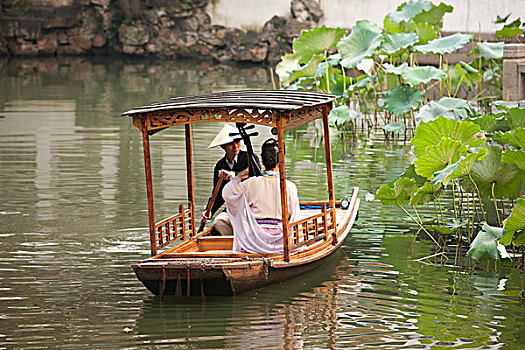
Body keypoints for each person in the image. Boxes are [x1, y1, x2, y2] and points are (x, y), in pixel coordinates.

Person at [222, 138, 301, 254]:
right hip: (279, 241)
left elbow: (227, 193)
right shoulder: (289, 186)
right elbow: (293, 216)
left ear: (263, 162)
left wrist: (238, 176)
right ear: (281, 161)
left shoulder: (250, 183)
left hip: (254, 239)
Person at [203, 124, 260, 235]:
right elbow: (218, 195)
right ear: (223, 146)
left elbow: (255, 175)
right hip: (233, 208)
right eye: (230, 143)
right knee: (219, 222)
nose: (235, 146)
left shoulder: (250, 158)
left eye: (237, 141)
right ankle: (235, 243)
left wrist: (232, 175)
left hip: (251, 206)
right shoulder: (220, 165)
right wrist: (209, 211)